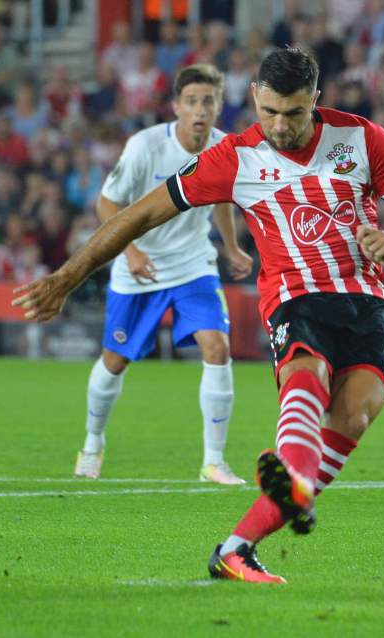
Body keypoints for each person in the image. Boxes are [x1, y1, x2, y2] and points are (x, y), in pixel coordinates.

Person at [14, 46, 384, 584]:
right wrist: (66, 278)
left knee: (354, 416)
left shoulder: (361, 138)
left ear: (316, 99)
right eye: (269, 112)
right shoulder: (235, 158)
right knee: (305, 376)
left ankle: (238, 548)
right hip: (296, 297)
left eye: (294, 113)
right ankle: (297, 483)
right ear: (255, 99)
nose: (280, 126)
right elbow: (137, 216)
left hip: (368, 303)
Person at [72, 64, 253, 485]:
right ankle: (93, 443)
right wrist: (130, 250)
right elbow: (106, 204)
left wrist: (229, 245)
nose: (199, 109)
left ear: (218, 106)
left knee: (217, 348)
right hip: (141, 270)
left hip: (194, 265)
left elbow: (223, 198)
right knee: (114, 361)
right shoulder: (145, 146)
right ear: (176, 107)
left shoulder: (225, 148)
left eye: (208, 101)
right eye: (191, 101)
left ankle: (214, 461)